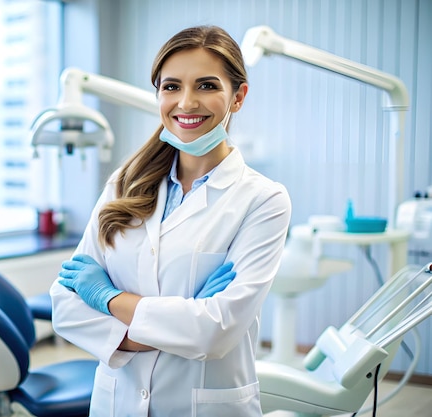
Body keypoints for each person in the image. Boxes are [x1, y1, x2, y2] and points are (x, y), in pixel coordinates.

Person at [50, 25, 292, 416]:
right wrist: (185, 316)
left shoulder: (263, 200)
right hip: (118, 403)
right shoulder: (123, 185)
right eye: (172, 87)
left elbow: (217, 333)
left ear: (238, 96)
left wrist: (109, 298)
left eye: (208, 86)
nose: (187, 102)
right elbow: (65, 306)